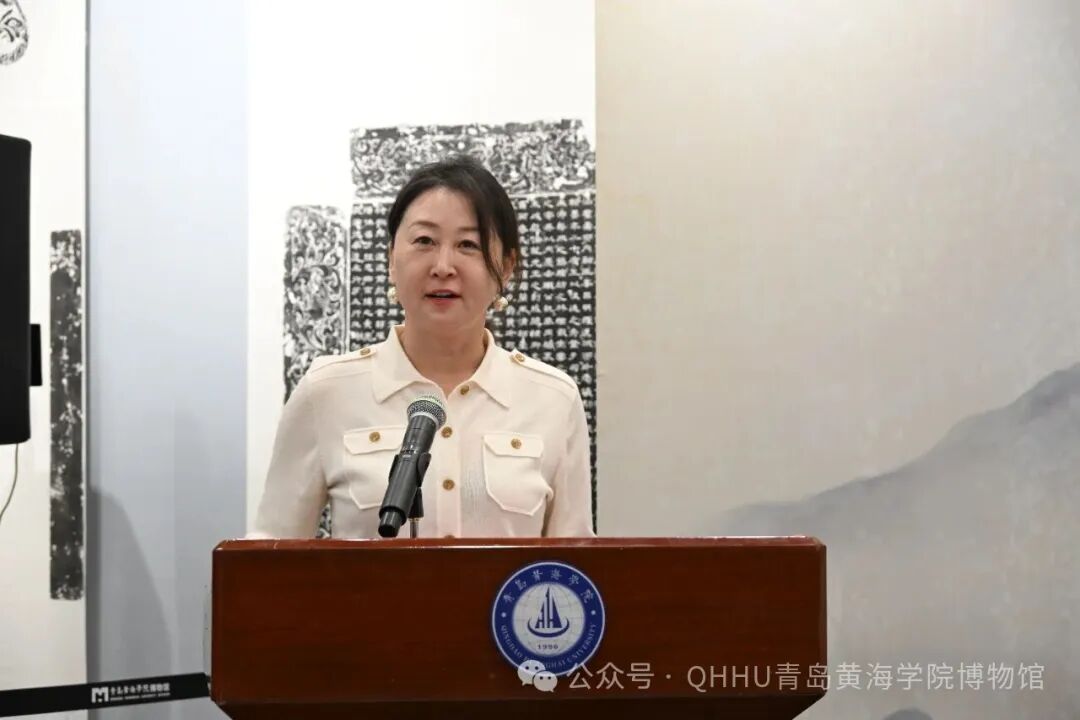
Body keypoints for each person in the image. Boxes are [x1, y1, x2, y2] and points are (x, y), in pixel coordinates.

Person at [251, 155, 594, 539]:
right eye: (424, 241)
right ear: (391, 259)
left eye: (468, 244)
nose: (443, 266)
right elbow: (270, 555)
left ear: (506, 267)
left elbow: (574, 564)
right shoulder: (327, 390)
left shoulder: (553, 399)